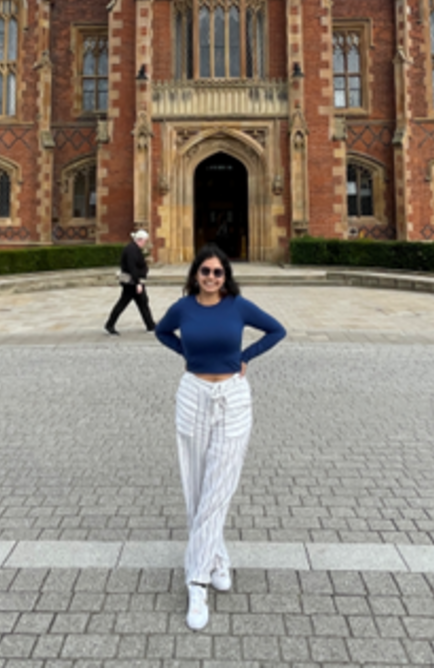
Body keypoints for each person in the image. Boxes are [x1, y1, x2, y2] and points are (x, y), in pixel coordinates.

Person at [153, 245, 286, 631]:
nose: (211, 277)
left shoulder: (238, 306)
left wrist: (247, 356)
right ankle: (218, 558)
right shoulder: (183, 308)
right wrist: (188, 354)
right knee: (197, 487)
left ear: (226, 277)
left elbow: (277, 330)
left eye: (218, 272)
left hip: (233, 399)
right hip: (193, 395)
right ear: (196, 274)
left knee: (219, 487)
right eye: (206, 271)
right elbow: (162, 332)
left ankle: (196, 581)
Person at [105, 230, 156, 335]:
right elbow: (132, 268)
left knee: (143, 302)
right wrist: (138, 283)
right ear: (140, 240)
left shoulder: (133, 248)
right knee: (124, 303)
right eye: (145, 241)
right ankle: (110, 324)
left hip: (133, 282)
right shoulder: (131, 250)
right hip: (131, 283)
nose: (145, 243)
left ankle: (150, 325)